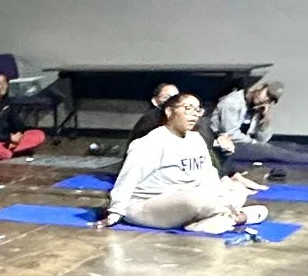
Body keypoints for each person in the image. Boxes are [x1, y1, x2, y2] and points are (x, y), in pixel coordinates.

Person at [101, 92, 269, 233]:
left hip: (185, 199)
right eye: (188, 109)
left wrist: (222, 195)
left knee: (237, 191)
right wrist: (115, 212)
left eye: (197, 110)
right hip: (147, 205)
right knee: (197, 200)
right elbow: (127, 179)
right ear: (169, 111)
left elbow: (208, 173)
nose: (194, 115)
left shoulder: (196, 139)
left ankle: (216, 220)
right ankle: (235, 217)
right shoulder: (151, 142)